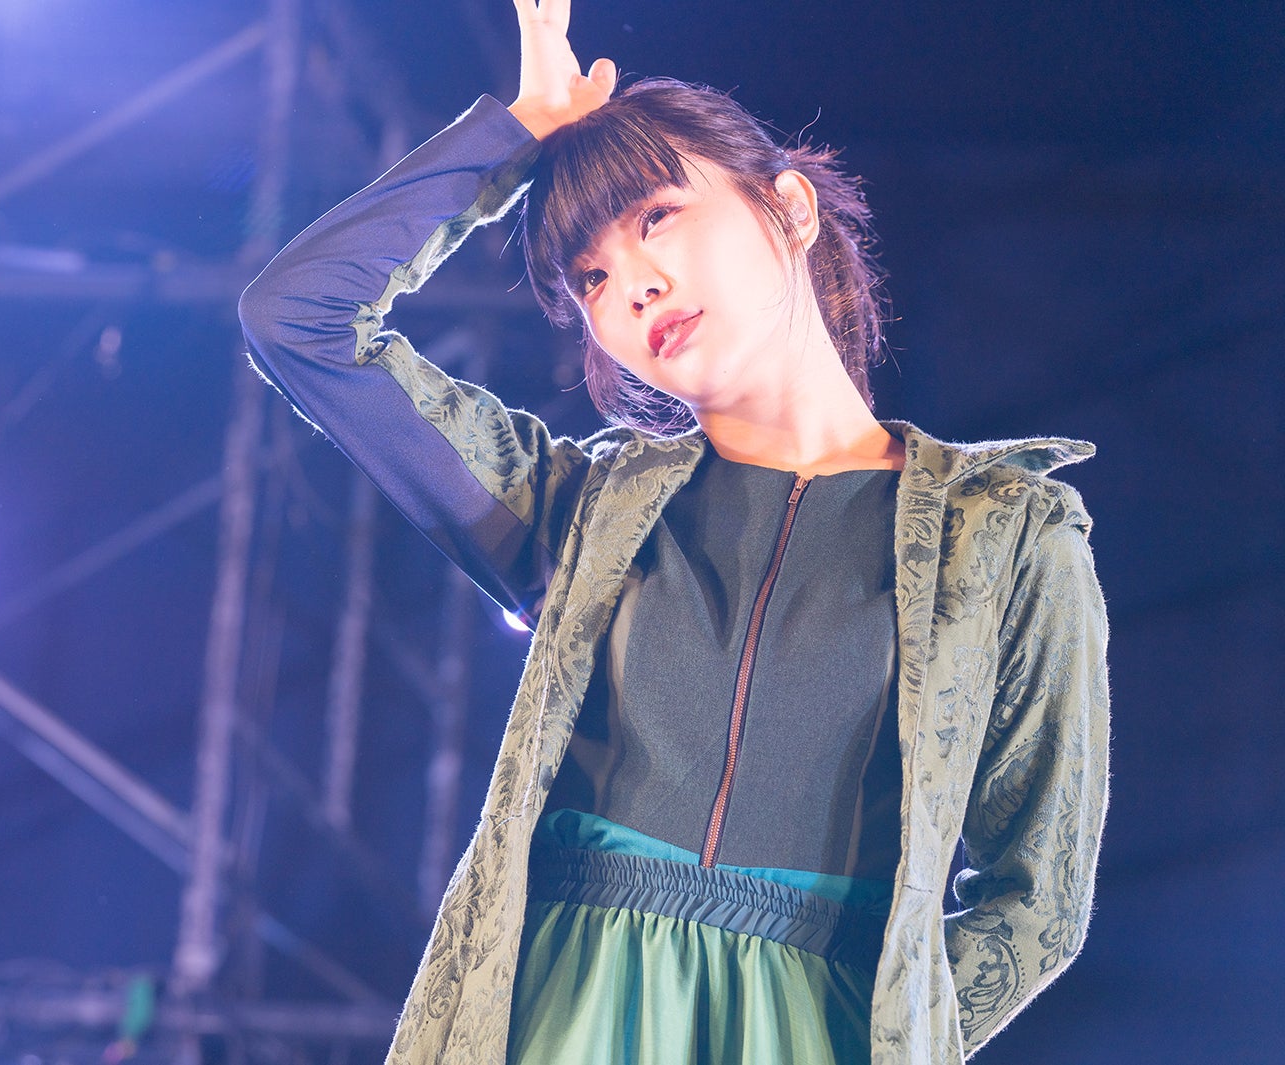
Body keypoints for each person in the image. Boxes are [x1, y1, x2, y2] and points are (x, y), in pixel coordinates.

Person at [237, 1, 1110, 1062]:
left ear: (788, 207)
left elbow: (1038, 900)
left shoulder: (1004, 537)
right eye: (591, 277)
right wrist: (514, 134)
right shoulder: (575, 513)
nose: (635, 285)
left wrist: (878, 1030)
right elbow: (300, 321)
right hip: (561, 1016)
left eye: (656, 216)